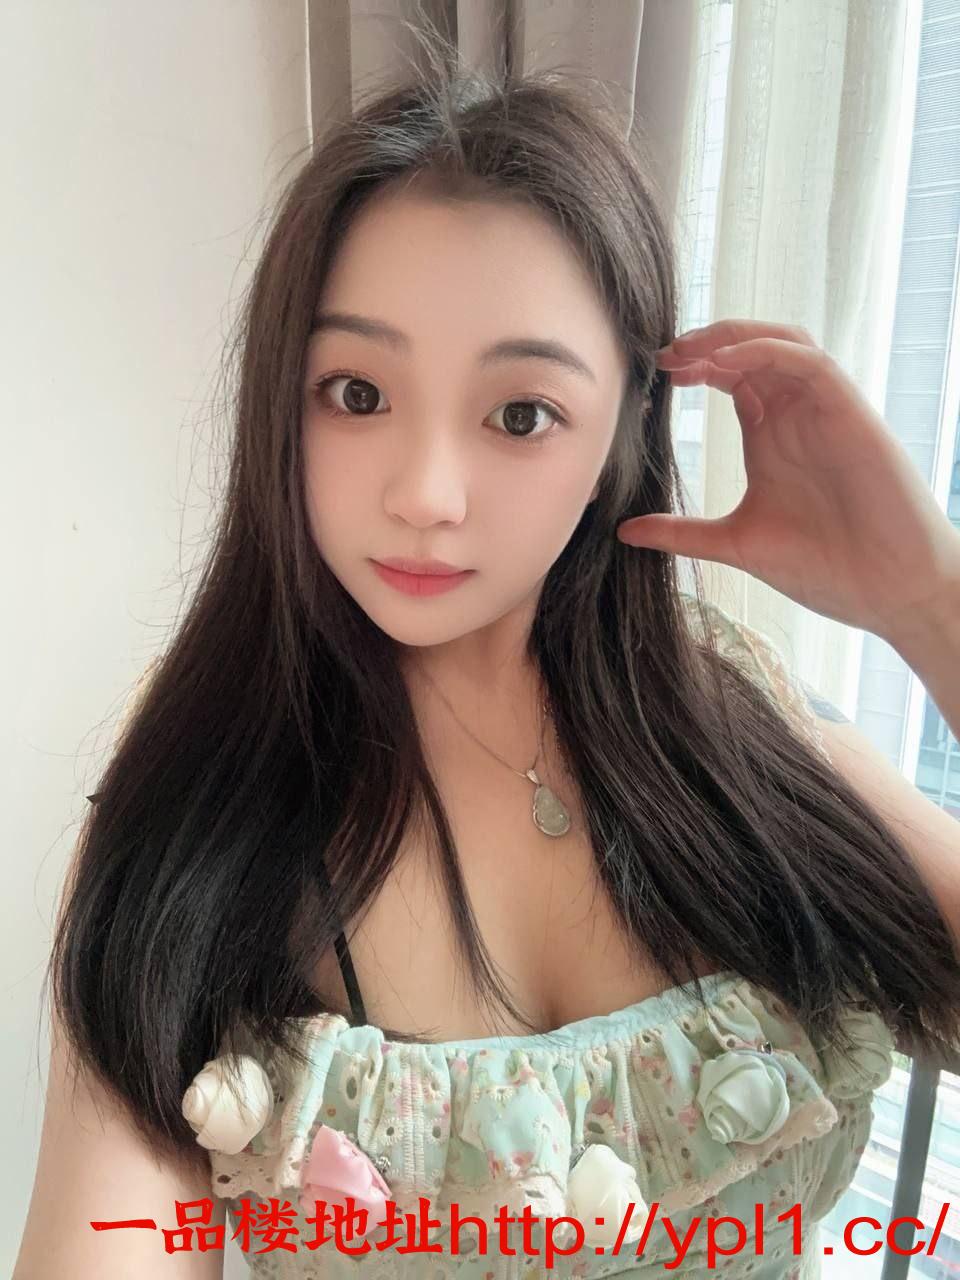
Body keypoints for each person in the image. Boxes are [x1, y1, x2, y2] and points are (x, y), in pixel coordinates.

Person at [15, 21, 960, 1280]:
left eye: (521, 412)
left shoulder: (734, 717)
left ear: (625, 431)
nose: (425, 492)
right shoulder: (199, 812)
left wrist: (929, 601)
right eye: (358, 393)